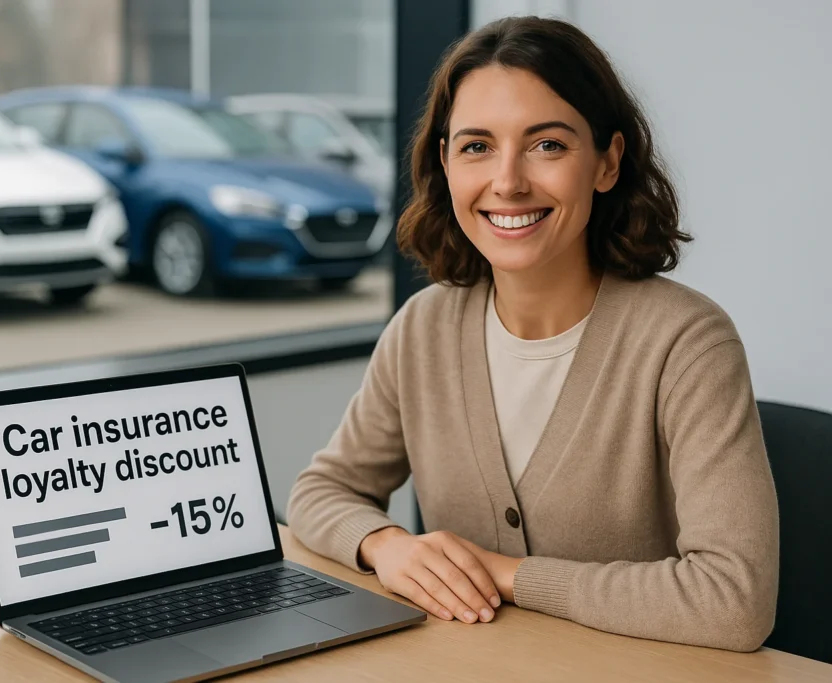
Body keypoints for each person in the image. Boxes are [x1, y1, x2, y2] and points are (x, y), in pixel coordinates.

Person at [286, 15, 778, 652]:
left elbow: (734, 601)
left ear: (607, 162)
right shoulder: (423, 329)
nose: (508, 180)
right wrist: (386, 548)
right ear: (445, 162)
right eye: (476, 146)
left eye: (547, 145)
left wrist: (506, 575)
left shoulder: (687, 343)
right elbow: (320, 491)